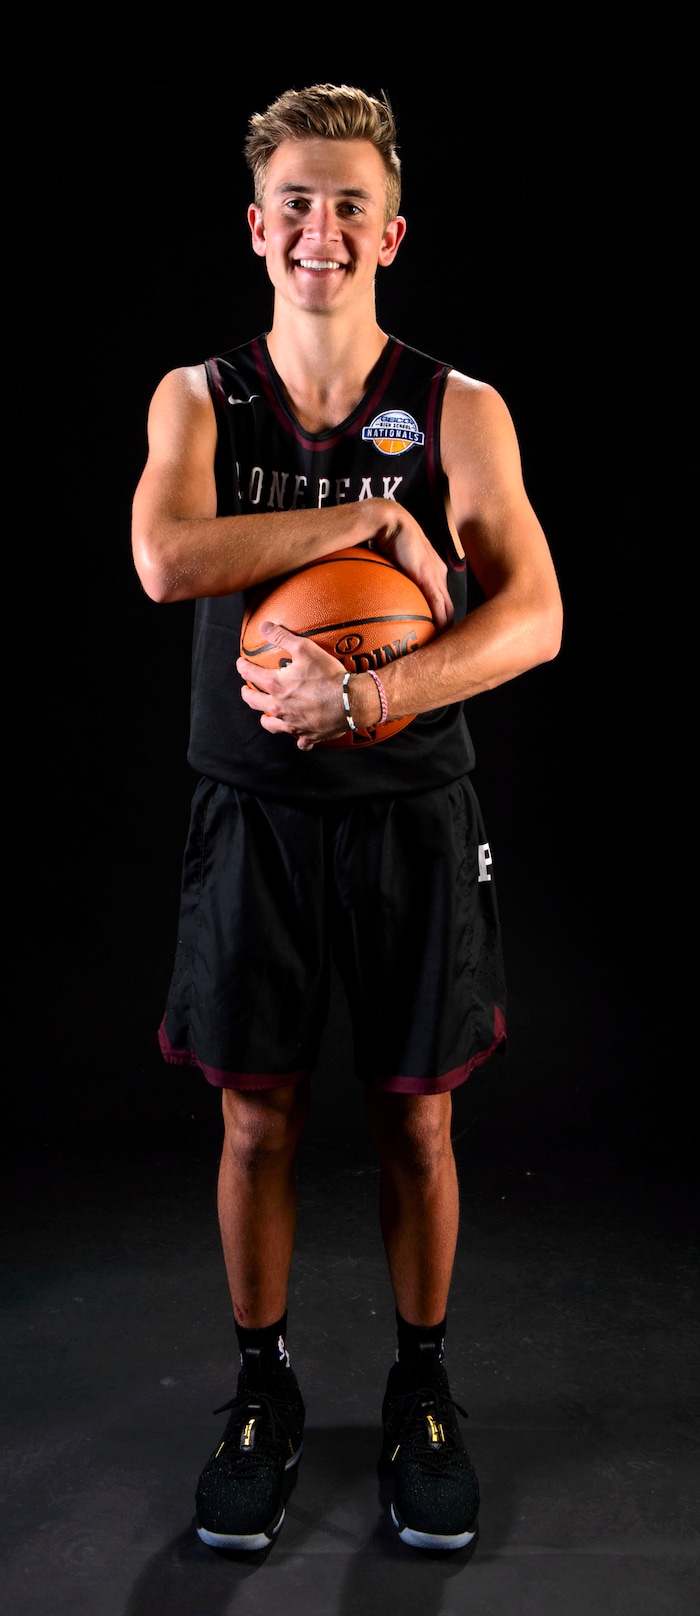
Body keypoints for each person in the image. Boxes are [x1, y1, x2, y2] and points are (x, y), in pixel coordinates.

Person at [131, 82, 563, 1557]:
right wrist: (369, 525)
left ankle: (421, 1390)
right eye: (297, 203)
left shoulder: (463, 412)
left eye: (350, 202)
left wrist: (372, 700)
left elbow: (539, 620)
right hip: (250, 815)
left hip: (412, 818)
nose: (324, 228)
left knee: (417, 1116)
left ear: (392, 229)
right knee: (256, 1118)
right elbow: (167, 555)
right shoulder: (198, 397)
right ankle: (259, 1389)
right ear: (261, 228)